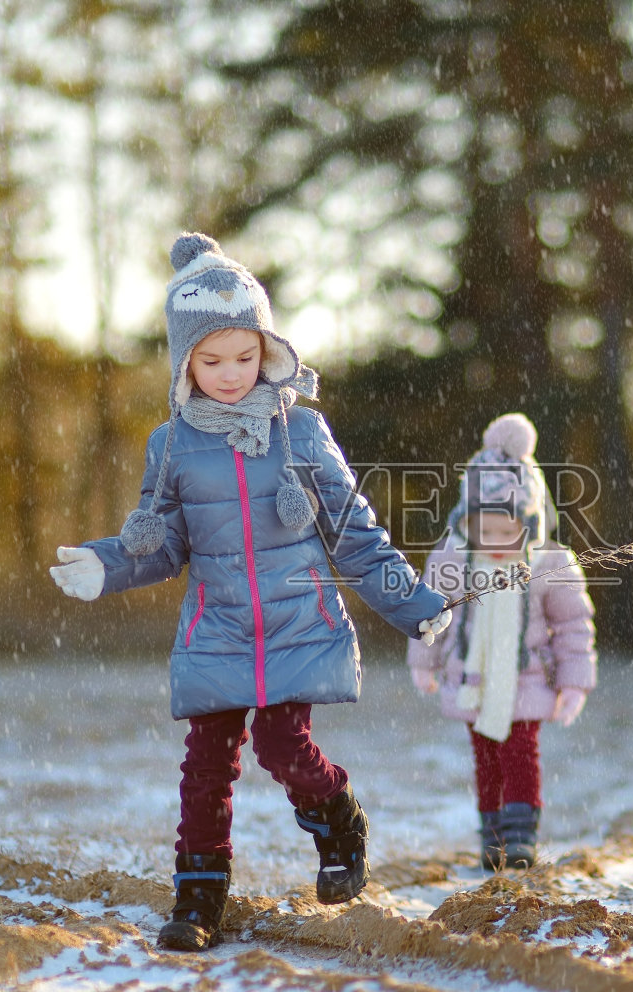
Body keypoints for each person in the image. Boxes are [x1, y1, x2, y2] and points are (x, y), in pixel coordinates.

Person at [50, 233, 450, 951]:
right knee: (205, 766)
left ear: (265, 349)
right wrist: (106, 564)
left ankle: (337, 815)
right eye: (211, 360)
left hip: (296, 621)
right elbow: (164, 542)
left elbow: (355, 534)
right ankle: (199, 896)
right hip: (219, 628)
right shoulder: (170, 444)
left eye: (244, 356)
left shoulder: (300, 431)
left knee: (282, 744)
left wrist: (414, 603)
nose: (231, 374)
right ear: (184, 362)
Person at [408, 412, 596, 871]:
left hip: (527, 679)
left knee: (519, 753)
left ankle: (520, 837)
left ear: (529, 523)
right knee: (486, 757)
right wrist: (424, 660)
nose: (494, 541)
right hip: (471, 677)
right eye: (483, 530)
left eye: (506, 530)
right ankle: (491, 835)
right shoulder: (453, 559)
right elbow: (432, 613)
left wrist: (574, 683)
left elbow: (573, 626)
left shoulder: (550, 562)